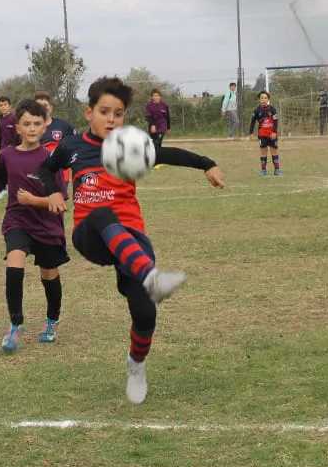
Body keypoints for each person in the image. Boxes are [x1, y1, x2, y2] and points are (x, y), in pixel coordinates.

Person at [36, 76, 226, 404]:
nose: (112, 119)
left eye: (119, 113)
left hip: (132, 237)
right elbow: (44, 168)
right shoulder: (71, 146)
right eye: (105, 112)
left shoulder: (129, 144)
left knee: (145, 315)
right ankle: (152, 278)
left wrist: (206, 164)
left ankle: (135, 365)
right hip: (90, 234)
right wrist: (53, 191)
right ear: (88, 112)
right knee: (101, 215)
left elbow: (166, 153)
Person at [0, 99, 69, 352]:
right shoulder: (6, 155)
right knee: (14, 264)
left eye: (37, 124)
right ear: (17, 127)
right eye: (26, 124)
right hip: (17, 221)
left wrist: (34, 200)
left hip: (47, 224)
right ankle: (15, 324)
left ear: (44, 127)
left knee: (49, 275)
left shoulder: (51, 160)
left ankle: (51, 322)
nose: (32, 128)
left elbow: (60, 201)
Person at [248, 90, 281, 176]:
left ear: (268, 99)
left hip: (272, 135)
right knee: (263, 151)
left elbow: (276, 121)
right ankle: (263, 170)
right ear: (259, 99)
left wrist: (274, 132)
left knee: (274, 151)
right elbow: (252, 122)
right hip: (262, 135)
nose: (263, 100)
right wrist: (251, 133)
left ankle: (277, 170)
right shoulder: (257, 110)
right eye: (262, 98)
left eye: (265, 98)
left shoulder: (273, 109)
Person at [0, 96, 19, 201]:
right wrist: (0, 147)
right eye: (1, 105)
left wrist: (16, 147)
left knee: (13, 170)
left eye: (5, 105)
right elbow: (0, 135)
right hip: (3, 149)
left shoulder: (14, 119)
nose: (3, 107)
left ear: (9, 106)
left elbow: (18, 134)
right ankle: (3, 190)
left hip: (13, 149)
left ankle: (16, 189)